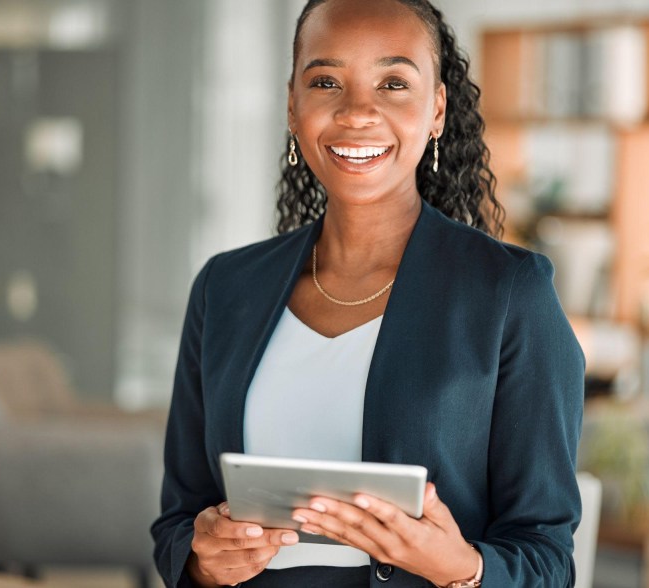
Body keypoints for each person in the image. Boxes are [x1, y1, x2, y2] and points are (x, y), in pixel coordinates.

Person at [150, 0, 585, 586]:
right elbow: (178, 521)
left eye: (393, 83)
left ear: (437, 110)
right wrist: (203, 560)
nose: (358, 112)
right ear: (292, 106)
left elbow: (548, 558)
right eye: (326, 81)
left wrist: (461, 568)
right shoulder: (225, 290)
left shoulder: (510, 294)